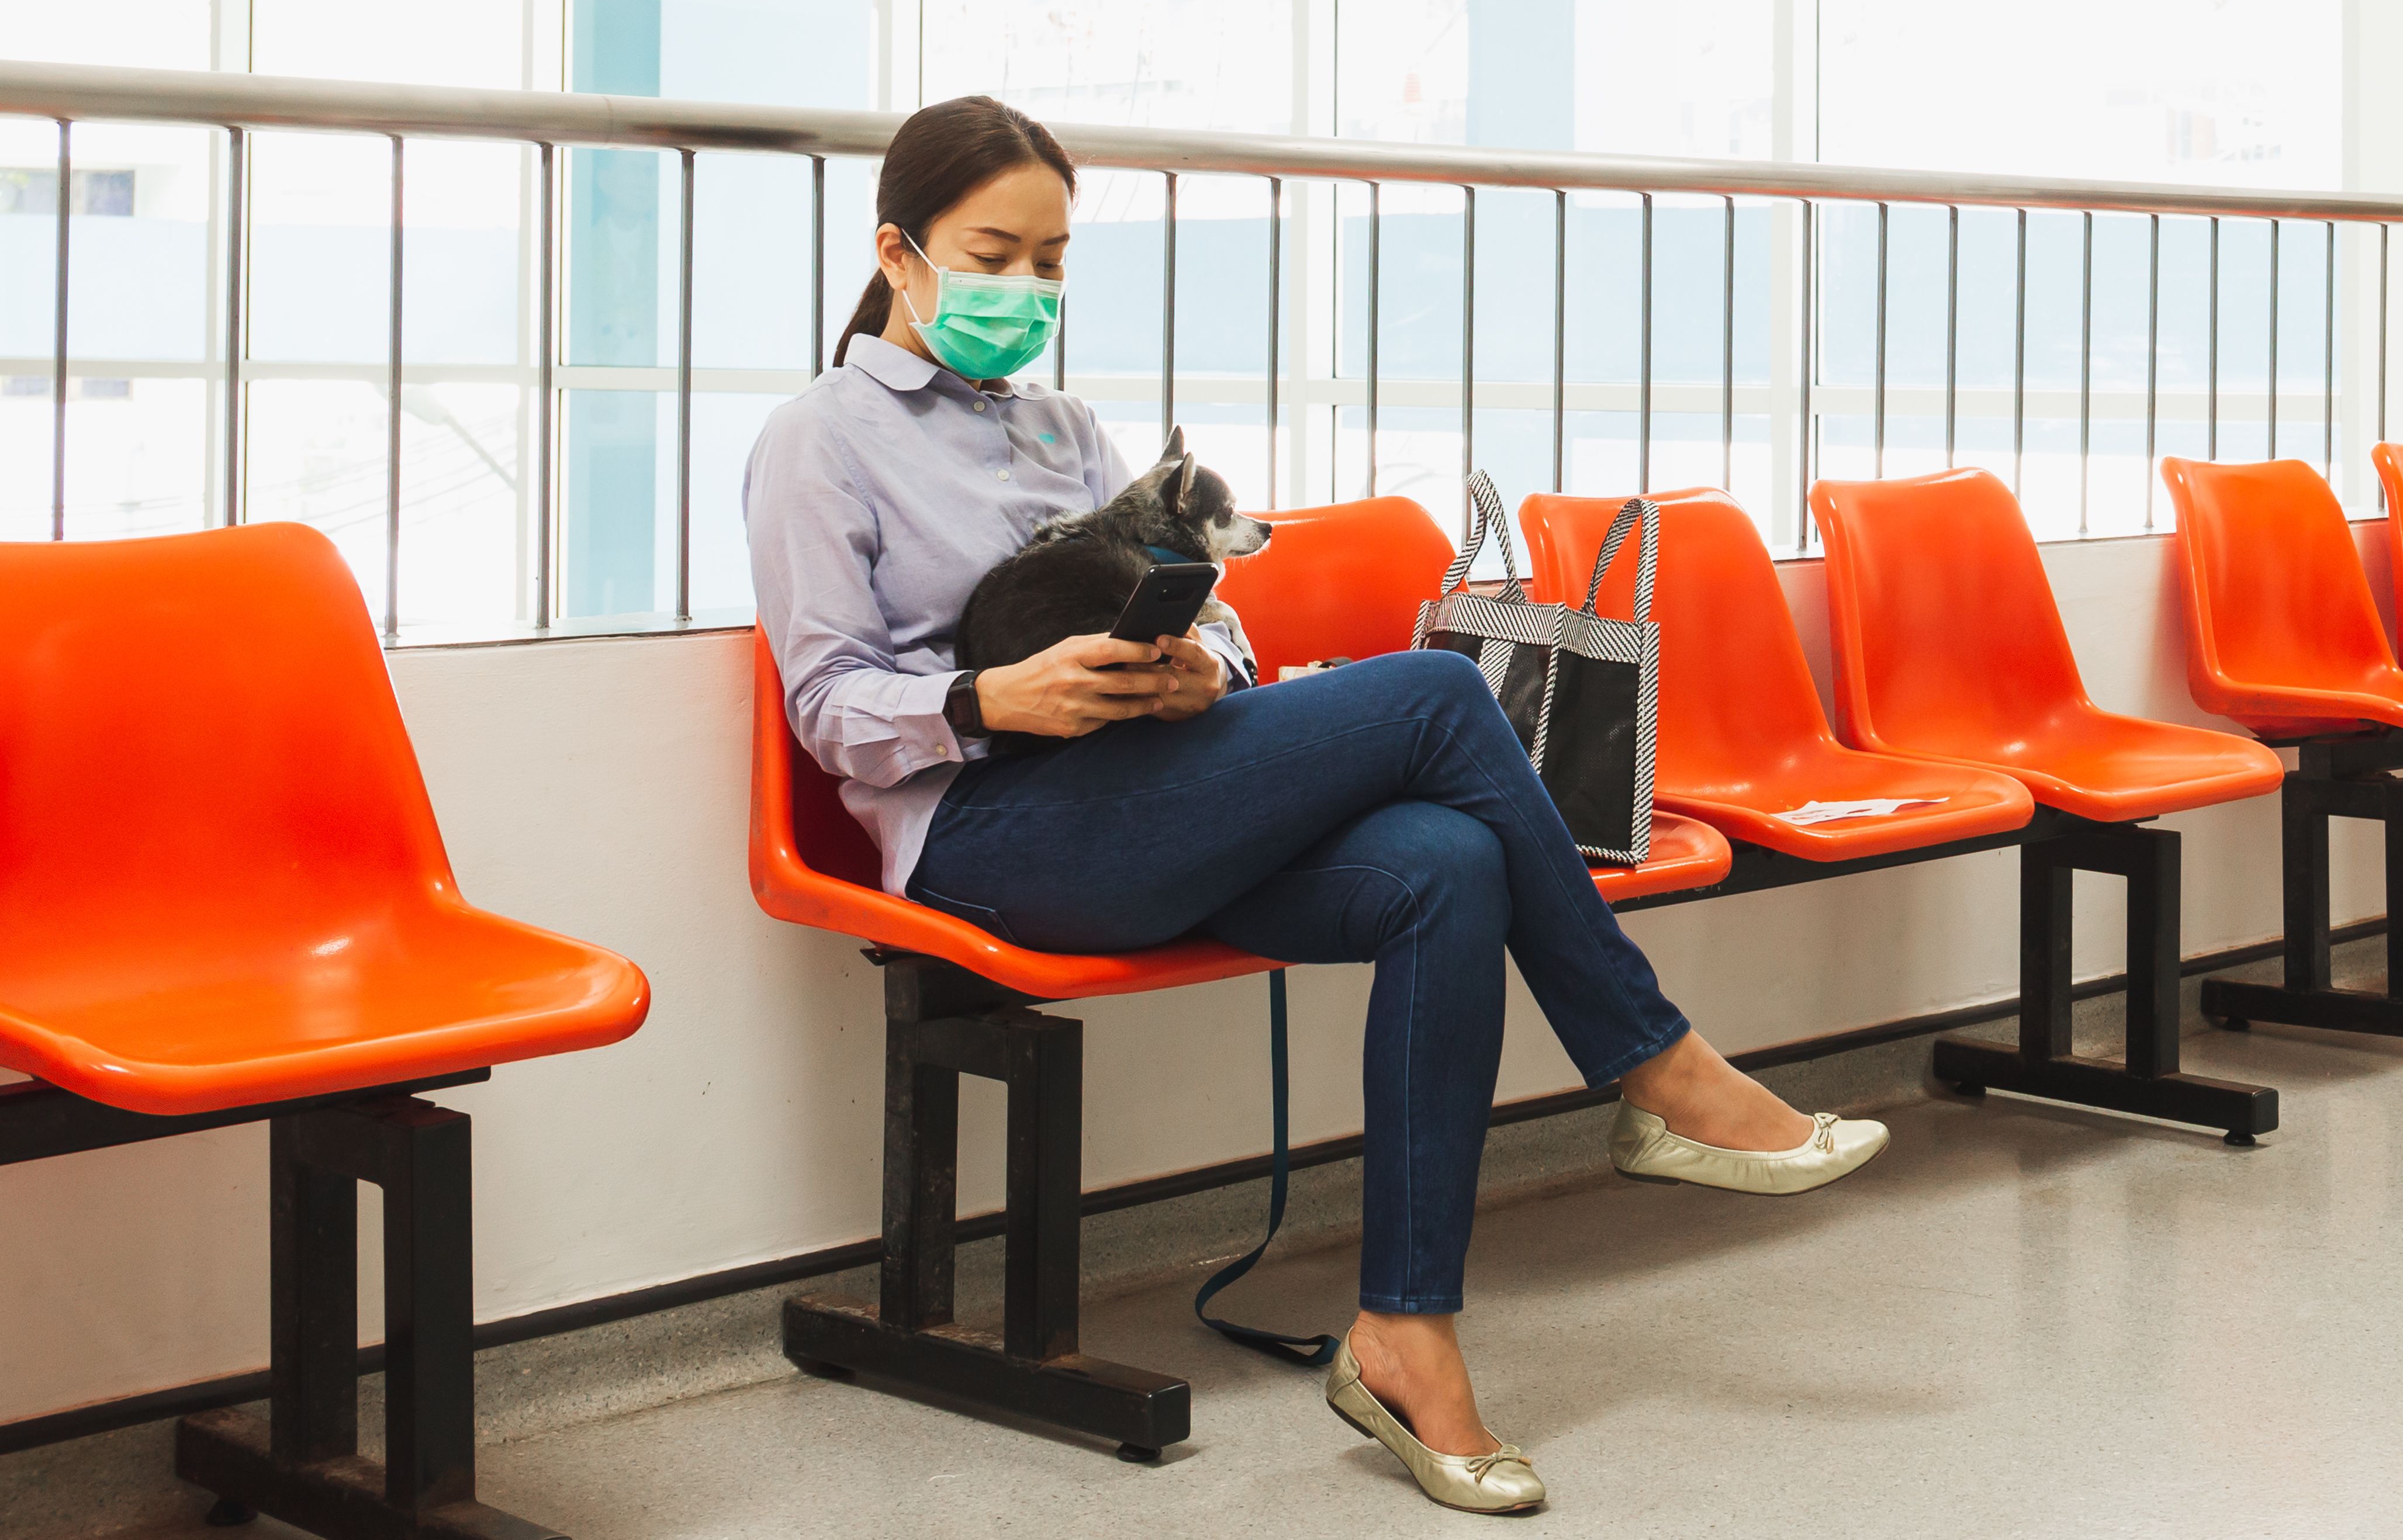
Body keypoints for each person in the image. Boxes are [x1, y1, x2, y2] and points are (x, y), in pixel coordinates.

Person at [744, 96, 1885, 1515]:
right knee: (1437, 694)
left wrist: (1189, 677)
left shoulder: (1070, 430)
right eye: (997, 254)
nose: (1028, 290)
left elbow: (1219, 627)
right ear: (900, 255)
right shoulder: (821, 442)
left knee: (1449, 860)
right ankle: (1655, 1067)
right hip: (994, 835)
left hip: (1155, 793)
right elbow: (826, 704)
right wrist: (993, 702)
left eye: (1051, 262)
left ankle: (1409, 1334)